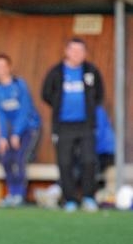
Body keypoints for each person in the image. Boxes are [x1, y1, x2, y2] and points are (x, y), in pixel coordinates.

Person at [42, 38, 104, 212]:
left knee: (89, 161)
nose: (77, 54)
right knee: (65, 163)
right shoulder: (56, 72)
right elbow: (46, 94)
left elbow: (99, 94)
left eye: (81, 51)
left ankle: (88, 198)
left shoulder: (91, 71)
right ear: (67, 51)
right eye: (74, 50)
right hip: (63, 126)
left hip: (86, 125)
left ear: (85, 53)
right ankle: (69, 200)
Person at [0, 53, 41, 208]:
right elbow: (0, 115)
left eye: (4, 66)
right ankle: (12, 194)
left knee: (20, 158)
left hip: (29, 128)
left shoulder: (20, 84)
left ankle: (20, 195)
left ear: (10, 67)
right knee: (6, 158)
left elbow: (25, 111)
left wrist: (16, 134)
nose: (1, 69)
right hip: (11, 131)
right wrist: (3, 137)